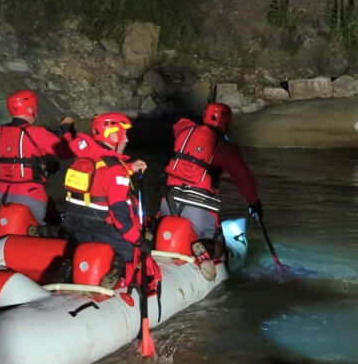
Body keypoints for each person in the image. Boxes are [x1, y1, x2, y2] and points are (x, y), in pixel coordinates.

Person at [159, 103, 262, 279]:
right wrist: (254, 203)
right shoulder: (225, 148)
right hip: (198, 205)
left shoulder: (185, 131)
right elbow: (243, 179)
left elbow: (179, 123)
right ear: (227, 124)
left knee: (164, 231)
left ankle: (154, 233)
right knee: (217, 241)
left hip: (168, 199)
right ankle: (205, 248)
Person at [62, 112, 149, 287]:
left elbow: (100, 177)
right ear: (113, 135)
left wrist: (130, 168)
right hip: (104, 229)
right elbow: (119, 214)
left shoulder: (82, 157)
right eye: (123, 135)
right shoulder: (115, 169)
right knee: (134, 252)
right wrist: (138, 240)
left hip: (75, 227)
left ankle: (75, 270)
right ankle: (120, 270)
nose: (126, 140)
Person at [0, 90, 75, 225]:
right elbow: (67, 152)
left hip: (2, 195)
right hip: (31, 195)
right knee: (45, 228)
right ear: (30, 109)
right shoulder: (36, 133)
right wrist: (66, 130)